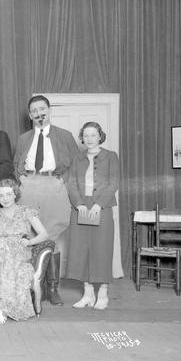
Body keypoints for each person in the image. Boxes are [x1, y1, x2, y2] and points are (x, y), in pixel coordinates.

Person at [13, 95, 80, 305]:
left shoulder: (64, 135)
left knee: (53, 237)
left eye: (42, 109)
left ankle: (52, 288)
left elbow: (76, 164)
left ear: (49, 111)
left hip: (54, 185)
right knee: (30, 234)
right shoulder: (24, 138)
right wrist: (22, 180)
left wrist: (62, 183)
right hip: (30, 185)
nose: (39, 113)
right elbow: (16, 163)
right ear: (30, 115)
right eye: (34, 111)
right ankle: (34, 286)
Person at [0, 179, 48, 324]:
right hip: (1, 254)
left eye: (8, 194)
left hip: (21, 251)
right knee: (4, 253)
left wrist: (30, 242)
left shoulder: (26, 211)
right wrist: (5, 247)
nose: (5, 199)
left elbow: (44, 234)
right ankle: (3, 310)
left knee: (5, 244)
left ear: (15, 194)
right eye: (1, 196)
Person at [66, 122, 119, 310]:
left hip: (101, 207)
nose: (89, 139)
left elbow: (113, 183)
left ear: (100, 136)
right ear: (82, 137)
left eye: (93, 135)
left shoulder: (111, 157)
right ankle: (88, 294)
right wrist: (79, 204)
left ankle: (102, 294)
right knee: (82, 251)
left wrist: (99, 204)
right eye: (86, 135)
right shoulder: (77, 158)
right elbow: (71, 184)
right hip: (80, 207)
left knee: (101, 249)